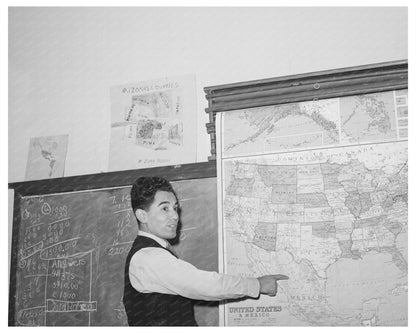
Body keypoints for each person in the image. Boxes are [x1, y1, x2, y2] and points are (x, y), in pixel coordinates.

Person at [123, 176, 289, 326]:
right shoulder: (148, 257)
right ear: (142, 216)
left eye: (175, 208)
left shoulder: (154, 252)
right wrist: (258, 284)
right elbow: (206, 285)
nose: (175, 216)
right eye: (165, 209)